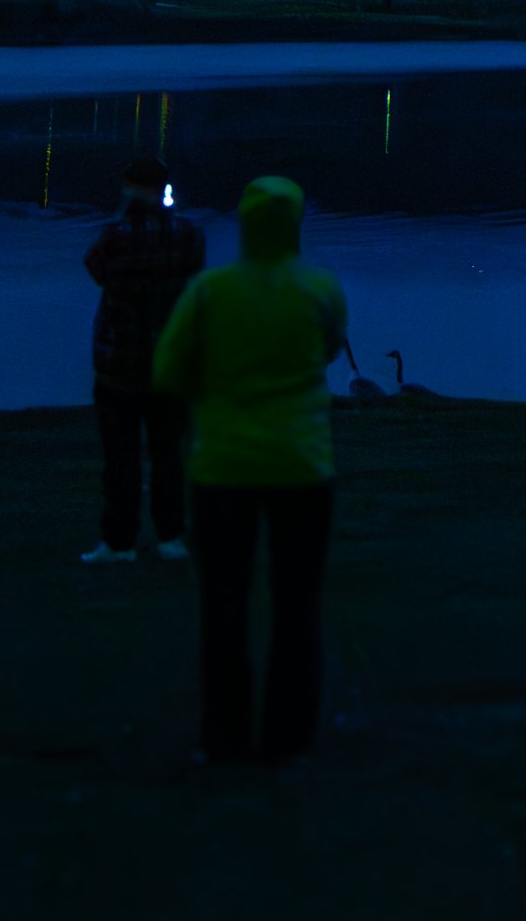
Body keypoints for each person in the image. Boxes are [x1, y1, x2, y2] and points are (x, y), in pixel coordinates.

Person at [151, 174, 349, 765]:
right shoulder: (320, 288)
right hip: (301, 465)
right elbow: (329, 348)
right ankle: (290, 740)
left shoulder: (210, 291)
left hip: (223, 466)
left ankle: (225, 740)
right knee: (297, 606)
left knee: (224, 606)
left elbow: (168, 371)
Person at [81, 149, 207, 565]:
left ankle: (119, 542)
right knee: (168, 454)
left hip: (119, 364)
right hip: (169, 363)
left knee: (120, 459)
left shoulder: (114, 237)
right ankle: (170, 535)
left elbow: (96, 270)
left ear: (129, 188)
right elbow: (194, 278)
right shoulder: (187, 235)